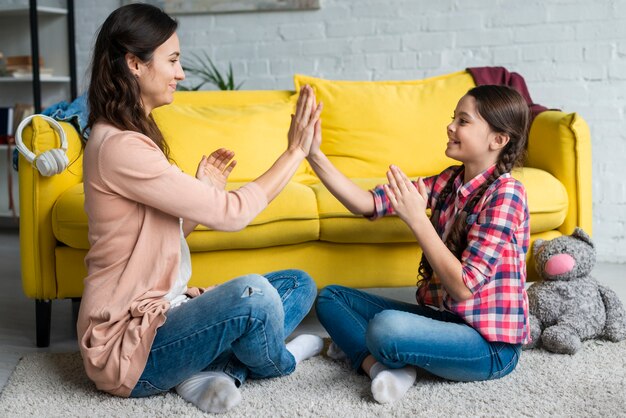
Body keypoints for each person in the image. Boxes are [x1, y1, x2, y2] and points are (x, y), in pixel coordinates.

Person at [78, 3, 324, 414]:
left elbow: (163, 239)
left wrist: (197, 196)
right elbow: (234, 215)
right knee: (257, 297)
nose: (181, 73)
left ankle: (210, 371)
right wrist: (296, 151)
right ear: (134, 63)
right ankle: (285, 360)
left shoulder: (131, 137)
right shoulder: (120, 147)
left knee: (298, 284)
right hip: (129, 349)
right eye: (173, 60)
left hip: (167, 315)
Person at [308, 84, 531, 404]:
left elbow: (464, 288)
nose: (450, 126)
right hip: (447, 322)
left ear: (497, 140)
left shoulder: (507, 193)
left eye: (463, 121)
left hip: (490, 347)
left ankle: (375, 350)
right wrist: (314, 155)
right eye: (453, 118)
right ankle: (380, 370)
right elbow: (366, 203)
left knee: (386, 329)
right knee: (331, 298)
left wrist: (417, 219)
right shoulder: (448, 181)